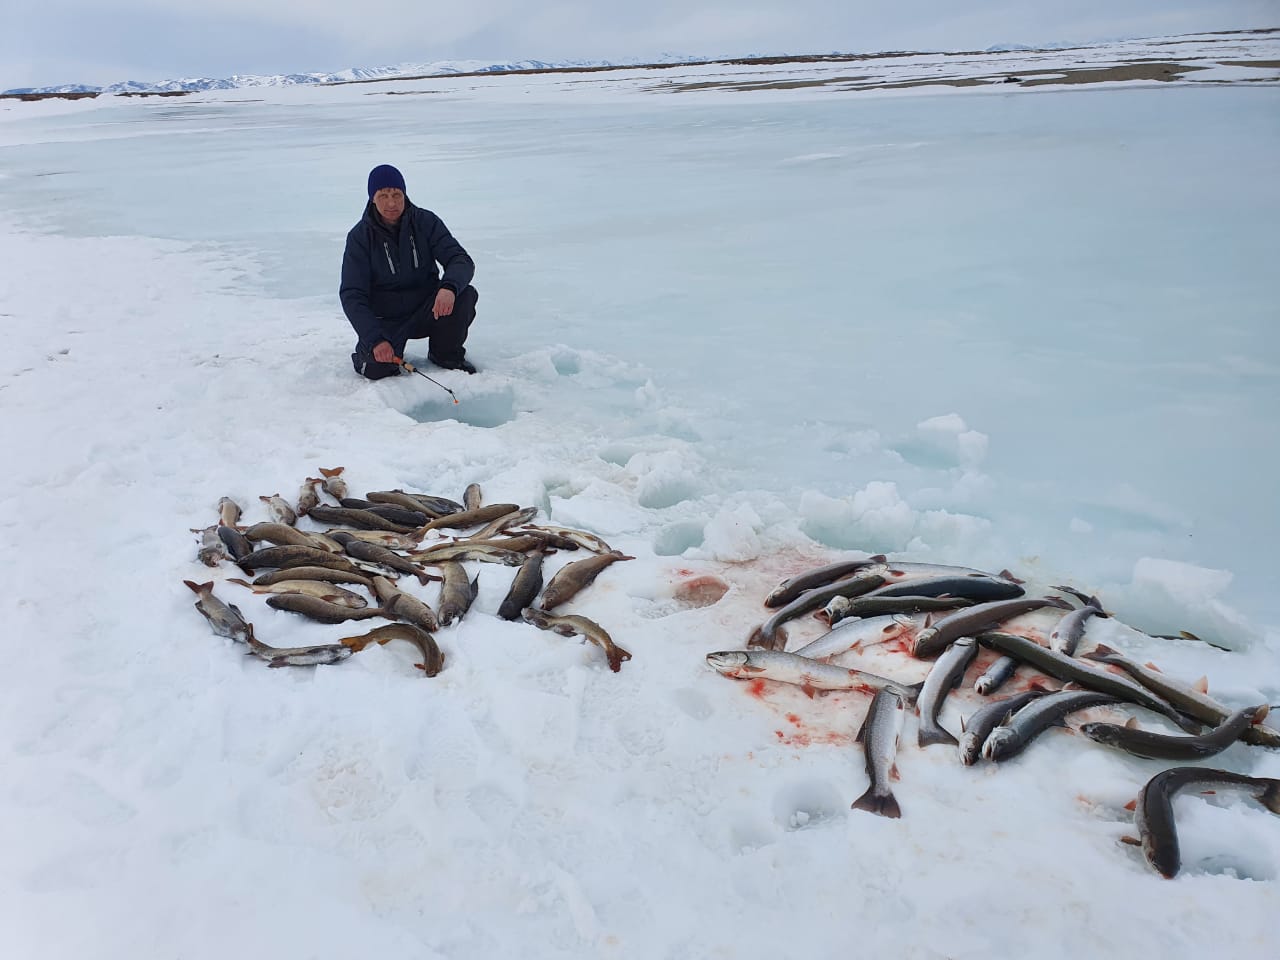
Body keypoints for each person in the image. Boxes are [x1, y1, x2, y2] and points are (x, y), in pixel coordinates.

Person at [340, 163, 479, 379]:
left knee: (464, 294)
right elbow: (352, 294)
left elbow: (460, 260)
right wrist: (374, 338)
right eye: (383, 195)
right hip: (387, 319)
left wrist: (449, 287)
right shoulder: (360, 237)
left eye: (397, 194)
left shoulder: (426, 222)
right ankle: (365, 354)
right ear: (372, 198)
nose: (391, 203)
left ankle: (445, 354)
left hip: (427, 309)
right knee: (378, 370)